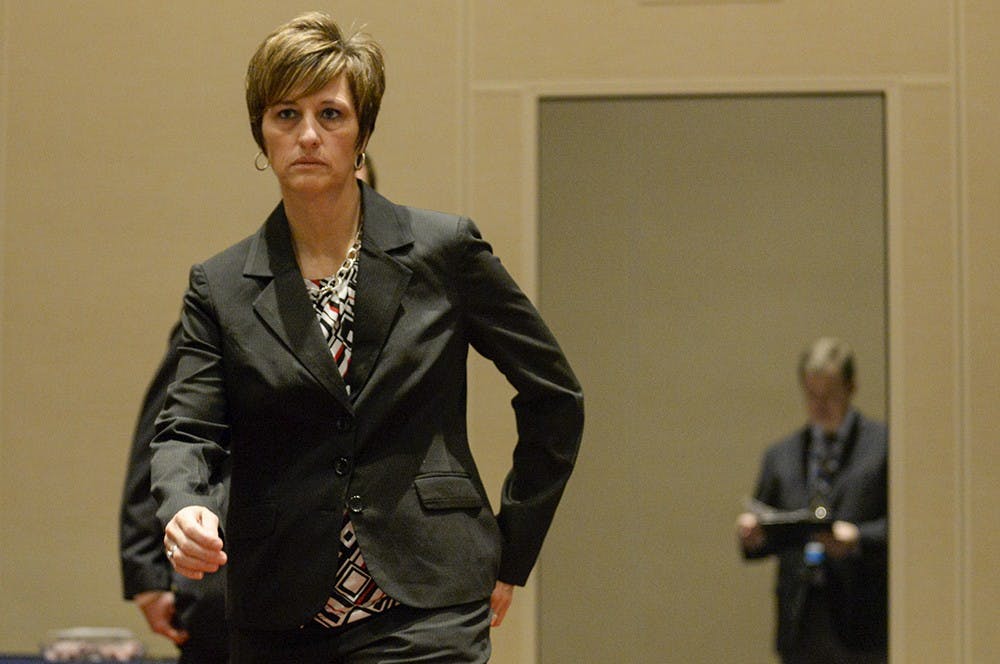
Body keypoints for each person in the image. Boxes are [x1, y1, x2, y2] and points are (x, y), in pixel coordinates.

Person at [149, 11, 584, 663]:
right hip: (279, 613)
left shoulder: (444, 251)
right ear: (261, 136)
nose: (307, 136)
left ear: (362, 133)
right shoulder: (221, 285)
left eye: (330, 115)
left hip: (427, 605)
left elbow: (555, 396)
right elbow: (186, 428)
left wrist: (513, 546)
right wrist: (183, 506)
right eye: (286, 115)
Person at [118, 159, 378, 663]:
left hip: (375, 584)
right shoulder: (233, 295)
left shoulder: (401, 292)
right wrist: (146, 566)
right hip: (244, 572)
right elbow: (172, 427)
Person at [736, 337, 887, 664]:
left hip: (861, 621)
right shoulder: (782, 455)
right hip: (801, 620)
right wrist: (752, 536)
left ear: (851, 388)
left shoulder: (883, 447)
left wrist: (857, 538)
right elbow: (764, 533)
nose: (819, 405)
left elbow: (905, 528)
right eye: (812, 395)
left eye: (830, 396)